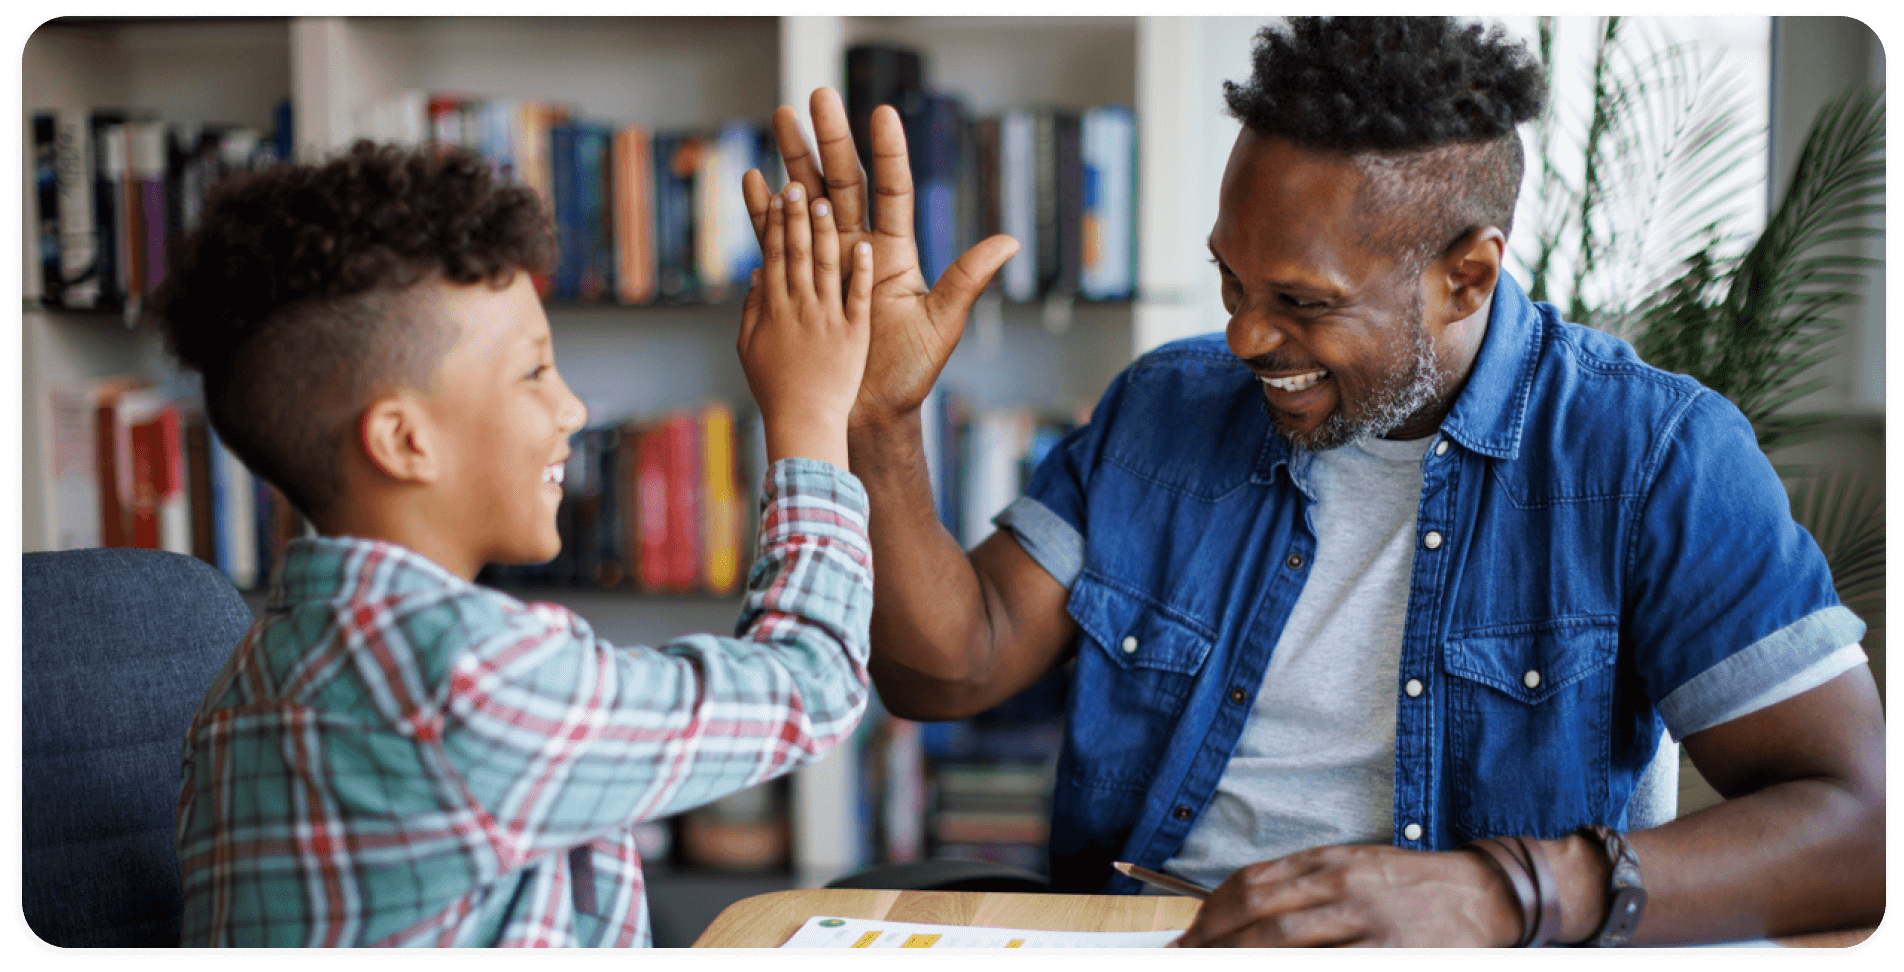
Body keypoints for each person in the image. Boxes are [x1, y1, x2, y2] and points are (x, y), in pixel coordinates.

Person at [742, 16, 1884, 948]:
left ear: (1466, 274)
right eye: (1229, 281)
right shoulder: (1166, 408)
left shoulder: (1649, 455)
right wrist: (878, 423)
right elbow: (947, 670)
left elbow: (1856, 826)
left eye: (1300, 302)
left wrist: (1497, 894)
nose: (1242, 337)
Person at [158, 141, 877, 947]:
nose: (572, 409)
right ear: (404, 441)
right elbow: (814, 683)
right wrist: (810, 416)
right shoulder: (468, 675)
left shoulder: (239, 689)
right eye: (534, 372)